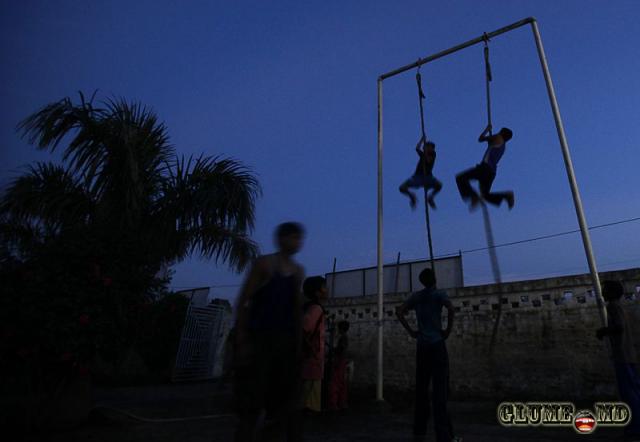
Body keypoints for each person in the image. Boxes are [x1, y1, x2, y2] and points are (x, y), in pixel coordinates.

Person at [233, 222, 306, 442]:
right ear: (281, 239)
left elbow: (296, 310)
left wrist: (299, 344)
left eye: (299, 238)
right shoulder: (264, 264)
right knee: (252, 401)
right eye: (293, 237)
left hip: (285, 343)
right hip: (261, 340)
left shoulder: (298, 272)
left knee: (284, 402)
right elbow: (244, 300)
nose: (297, 242)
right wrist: (241, 337)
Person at [396, 268, 459, 442]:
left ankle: (419, 431)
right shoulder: (439, 294)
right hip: (437, 345)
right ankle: (443, 435)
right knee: (440, 392)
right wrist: (447, 330)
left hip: (422, 347)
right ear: (434, 279)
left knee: (421, 390)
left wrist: (411, 332)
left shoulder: (417, 297)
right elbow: (451, 309)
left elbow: (399, 311)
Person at [596, 280, 640, 440]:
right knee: (634, 391)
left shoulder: (613, 306)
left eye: (605, 289)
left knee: (629, 393)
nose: (603, 292)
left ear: (612, 293)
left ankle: (635, 429)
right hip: (628, 355)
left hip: (622, 356)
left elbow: (619, 327)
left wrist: (603, 331)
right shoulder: (619, 306)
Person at [456, 125, 515, 210]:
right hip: (492, 173)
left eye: (499, 131)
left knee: (460, 178)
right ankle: (506, 195)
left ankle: (474, 197)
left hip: (485, 168)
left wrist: (487, 129)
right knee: (485, 195)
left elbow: (481, 139)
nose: (497, 133)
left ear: (501, 133)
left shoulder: (498, 138)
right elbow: (491, 144)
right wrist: (490, 142)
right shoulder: (503, 146)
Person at [301, 276, 328, 413]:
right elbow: (304, 329)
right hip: (312, 359)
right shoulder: (316, 309)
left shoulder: (311, 308)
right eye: (324, 287)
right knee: (311, 397)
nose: (327, 290)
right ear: (317, 292)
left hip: (312, 358)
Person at [399, 136, 443, 210]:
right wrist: (421, 140)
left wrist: (425, 152)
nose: (431, 149)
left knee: (439, 185)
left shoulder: (433, 154)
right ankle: (412, 196)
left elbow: (428, 160)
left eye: (430, 147)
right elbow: (417, 148)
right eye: (428, 147)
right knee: (402, 188)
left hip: (428, 177)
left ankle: (430, 197)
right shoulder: (423, 154)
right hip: (418, 177)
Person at [328, 320, 350, 411]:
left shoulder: (343, 338)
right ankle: (342, 403)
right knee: (342, 383)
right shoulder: (345, 337)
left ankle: (333, 404)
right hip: (342, 361)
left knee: (335, 382)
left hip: (340, 361)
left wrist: (334, 350)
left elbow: (341, 349)